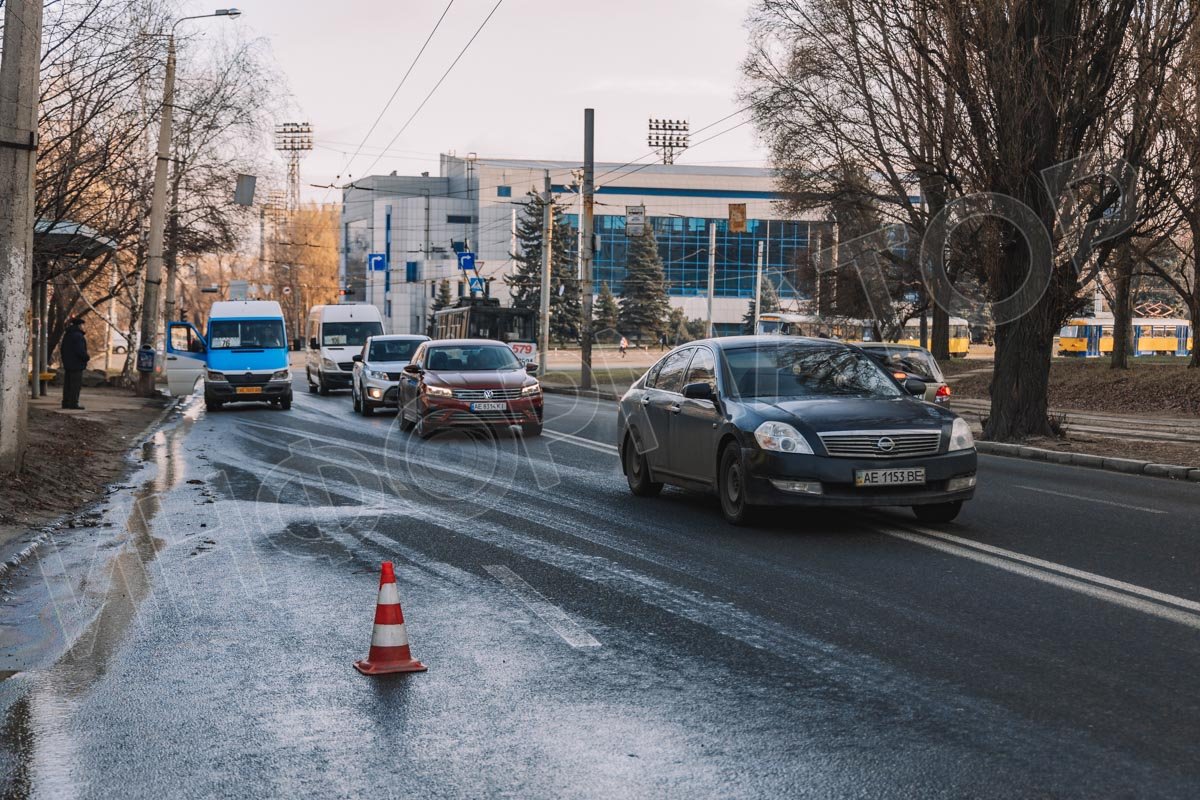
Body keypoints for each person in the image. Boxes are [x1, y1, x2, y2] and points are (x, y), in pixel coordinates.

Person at [60, 315, 90, 410]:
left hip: (68, 364)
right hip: (77, 364)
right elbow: (80, 351)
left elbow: (62, 349)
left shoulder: (67, 335)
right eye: (82, 325)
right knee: (75, 385)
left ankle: (66, 402)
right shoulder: (78, 336)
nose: (83, 327)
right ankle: (73, 403)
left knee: (68, 385)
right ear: (79, 325)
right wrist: (86, 357)